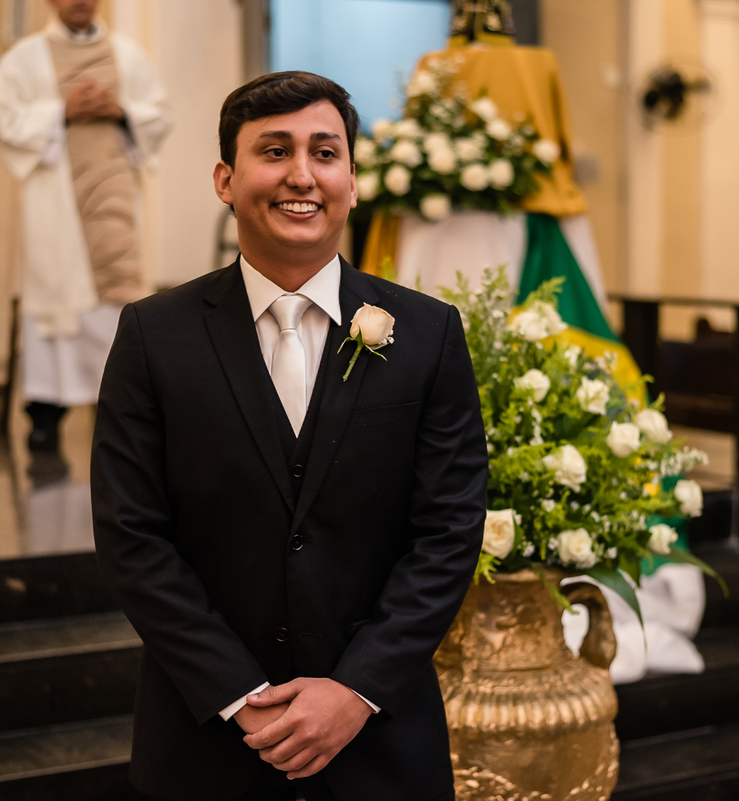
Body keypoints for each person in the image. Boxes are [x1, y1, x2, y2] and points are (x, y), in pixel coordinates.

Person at [90, 72, 488, 801]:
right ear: (225, 178)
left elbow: (449, 530)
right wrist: (242, 695)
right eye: (274, 151)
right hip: (207, 745)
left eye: (324, 152)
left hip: (381, 746)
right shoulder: (153, 335)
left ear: (353, 180)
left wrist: (354, 691)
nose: (301, 175)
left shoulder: (429, 334)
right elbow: (131, 535)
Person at [0, 0, 170, 453]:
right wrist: (60, 111)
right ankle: (46, 416)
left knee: (116, 303)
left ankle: (119, 411)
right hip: (56, 206)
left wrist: (122, 109)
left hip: (113, 200)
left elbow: (159, 116)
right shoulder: (25, 57)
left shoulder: (128, 55)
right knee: (58, 297)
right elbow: (4, 122)